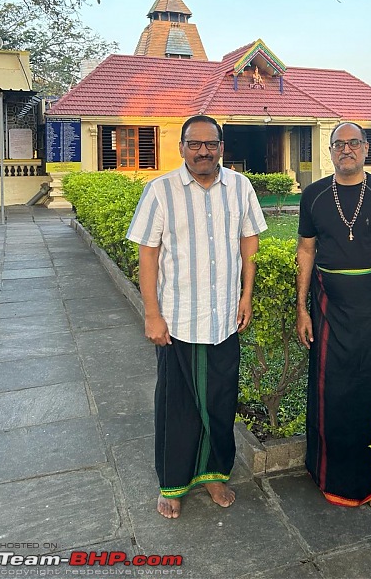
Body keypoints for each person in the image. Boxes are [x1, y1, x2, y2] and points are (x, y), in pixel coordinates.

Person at [126, 115, 267, 519]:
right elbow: (148, 255)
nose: (203, 150)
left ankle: (214, 474)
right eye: (194, 143)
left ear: (222, 146)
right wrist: (151, 314)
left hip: (224, 318)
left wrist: (247, 296)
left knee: (222, 403)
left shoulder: (240, 187)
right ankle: (172, 483)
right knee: (177, 405)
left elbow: (249, 240)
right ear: (182, 147)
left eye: (211, 143)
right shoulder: (160, 191)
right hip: (177, 320)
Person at [296, 122, 371, 510]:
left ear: (366, 149)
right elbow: (306, 252)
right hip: (329, 305)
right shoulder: (313, 195)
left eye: (354, 143)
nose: (346, 150)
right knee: (330, 390)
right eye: (338, 144)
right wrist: (301, 308)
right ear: (330, 151)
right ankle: (327, 474)